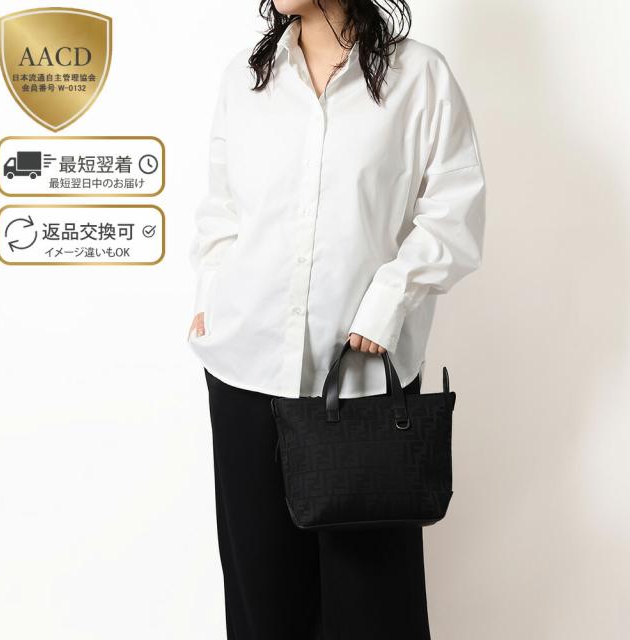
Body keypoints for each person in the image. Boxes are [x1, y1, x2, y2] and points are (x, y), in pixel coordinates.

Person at [188, 1, 486, 638]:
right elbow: (222, 212)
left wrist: (389, 301)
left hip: (363, 384)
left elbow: (454, 215)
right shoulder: (246, 78)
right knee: (262, 602)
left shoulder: (419, 77)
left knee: (373, 609)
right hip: (245, 374)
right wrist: (211, 297)